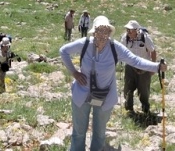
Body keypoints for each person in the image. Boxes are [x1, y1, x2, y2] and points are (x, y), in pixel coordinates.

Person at [60, 15, 167, 151]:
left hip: (105, 97)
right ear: (94, 31)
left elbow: (135, 60)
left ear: (110, 32)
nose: (103, 34)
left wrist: (156, 67)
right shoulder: (85, 43)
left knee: (99, 134)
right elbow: (63, 51)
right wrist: (74, 72)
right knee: (79, 133)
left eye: (106, 31)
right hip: (82, 94)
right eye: (100, 30)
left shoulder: (115, 47)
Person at [121, 19, 157, 115]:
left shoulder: (145, 38)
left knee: (144, 89)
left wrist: (153, 67)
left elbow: (153, 51)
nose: (128, 32)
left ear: (136, 30)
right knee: (128, 88)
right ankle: (129, 109)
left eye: (130, 30)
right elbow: (121, 51)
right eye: (127, 29)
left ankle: (145, 109)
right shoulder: (125, 38)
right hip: (130, 66)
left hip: (144, 66)